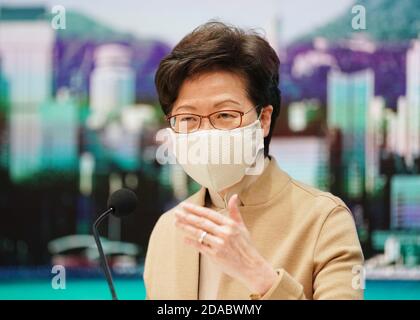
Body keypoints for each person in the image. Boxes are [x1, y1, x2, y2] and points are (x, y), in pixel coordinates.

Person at [143, 21, 364, 300]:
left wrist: (259, 277)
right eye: (188, 119)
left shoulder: (324, 221)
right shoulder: (168, 230)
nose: (206, 132)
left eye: (225, 115)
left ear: (263, 120)